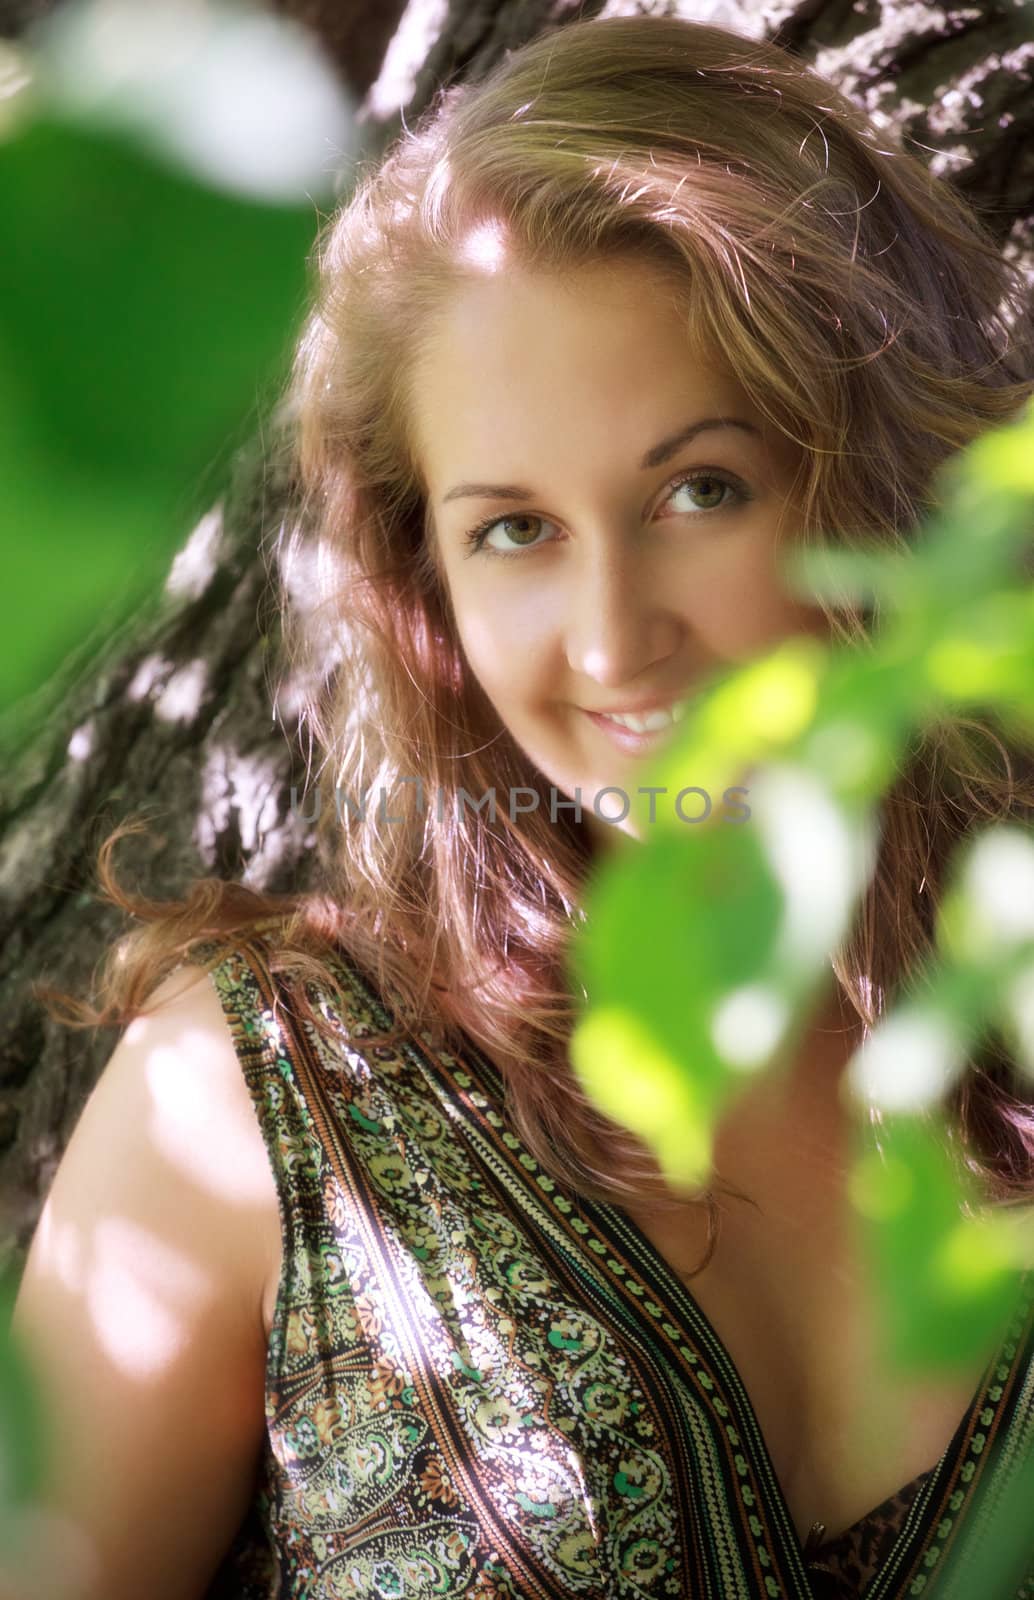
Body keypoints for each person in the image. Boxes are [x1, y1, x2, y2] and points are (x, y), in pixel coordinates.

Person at [8, 13, 1034, 1599]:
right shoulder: (254, 1096)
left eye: (703, 490)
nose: (617, 641)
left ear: (892, 482)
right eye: (514, 532)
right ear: (419, 576)